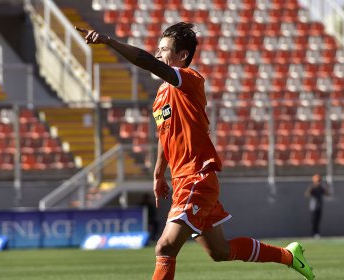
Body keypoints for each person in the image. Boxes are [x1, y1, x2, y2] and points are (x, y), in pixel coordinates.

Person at [76, 22, 314, 280]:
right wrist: (158, 174)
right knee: (220, 251)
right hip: (182, 180)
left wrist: (110, 41)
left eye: (164, 49)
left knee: (165, 246)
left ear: (182, 56)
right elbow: (164, 134)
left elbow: (147, 62)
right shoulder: (160, 95)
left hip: (196, 176)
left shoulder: (189, 80)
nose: (158, 54)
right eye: (158, 49)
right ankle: (289, 256)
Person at [304, 174, 330, 238]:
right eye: (318, 181)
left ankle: (317, 233)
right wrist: (312, 188)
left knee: (318, 220)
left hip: (319, 206)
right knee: (314, 221)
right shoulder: (313, 188)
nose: (319, 182)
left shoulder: (321, 188)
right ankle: (313, 233)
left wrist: (326, 186)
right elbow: (307, 194)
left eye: (319, 181)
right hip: (313, 207)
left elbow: (327, 194)